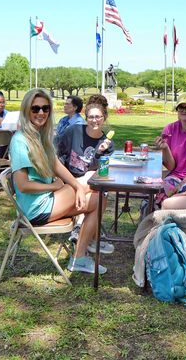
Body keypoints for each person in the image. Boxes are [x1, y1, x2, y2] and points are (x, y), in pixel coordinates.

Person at [10, 89, 110, 274]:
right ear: (26, 110)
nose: (41, 113)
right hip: (36, 207)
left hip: (48, 198)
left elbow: (56, 164)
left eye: (45, 108)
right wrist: (56, 186)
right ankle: (83, 251)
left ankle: (79, 257)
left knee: (100, 198)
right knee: (96, 189)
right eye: (35, 108)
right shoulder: (20, 140)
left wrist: (76, 186)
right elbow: (23, 185)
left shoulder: (39, 136)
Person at [57, 95, 115, 253]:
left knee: (99, 190)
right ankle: (88, 234)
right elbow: (58, 153)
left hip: (90, 183)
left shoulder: (108, 145)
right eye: (91, 117)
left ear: (104, 118)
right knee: (98, 192)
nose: (94, 120)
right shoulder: (75, 131)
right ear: (86, 117)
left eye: (98, 117)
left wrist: (99, 152)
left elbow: (100, 171)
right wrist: (60, 179)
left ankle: (86, 233)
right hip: (68, 180)